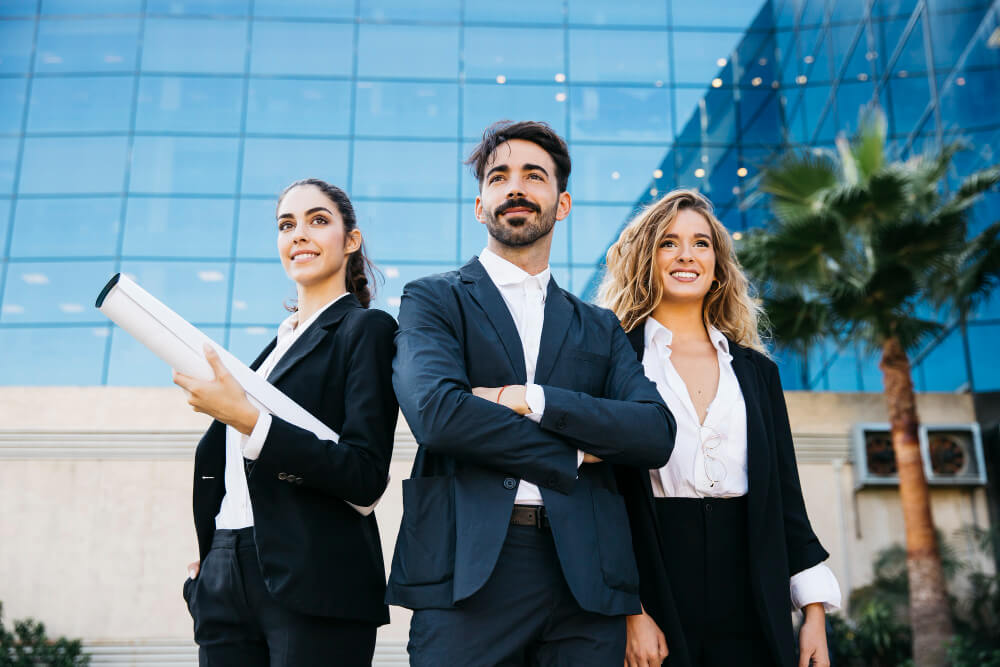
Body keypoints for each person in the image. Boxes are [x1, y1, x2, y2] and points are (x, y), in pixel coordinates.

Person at [386, 120, 677, 666]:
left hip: (587, 580)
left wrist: (532, 398)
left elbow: (654, 433)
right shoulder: (432, 300)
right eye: (499, 177)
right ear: (480, 206)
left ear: (561, 203)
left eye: (533, 176)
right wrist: (572, 452)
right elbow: (439, 415)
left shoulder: (600, 326)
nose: (515, 187)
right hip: (467, 574)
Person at [599, 189, 841, 667]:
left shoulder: (756, 372)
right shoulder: (613, 359)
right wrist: (631, 610)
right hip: (656, 572)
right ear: (647, 258)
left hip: (751, 575)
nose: (686, 255)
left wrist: (814, 612)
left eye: (701, 243)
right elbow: (600, 499)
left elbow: (785, 499)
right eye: (668, 243)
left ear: (718, 264)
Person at [172, 178, 398, 667]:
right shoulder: (271, 353)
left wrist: (252, 422)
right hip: (224, 574)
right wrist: (212, 555)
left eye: (318, 221)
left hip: (315, 576)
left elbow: (364, 474)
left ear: (351, 240)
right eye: (286, 225)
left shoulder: (366, 330)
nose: (299, 234)